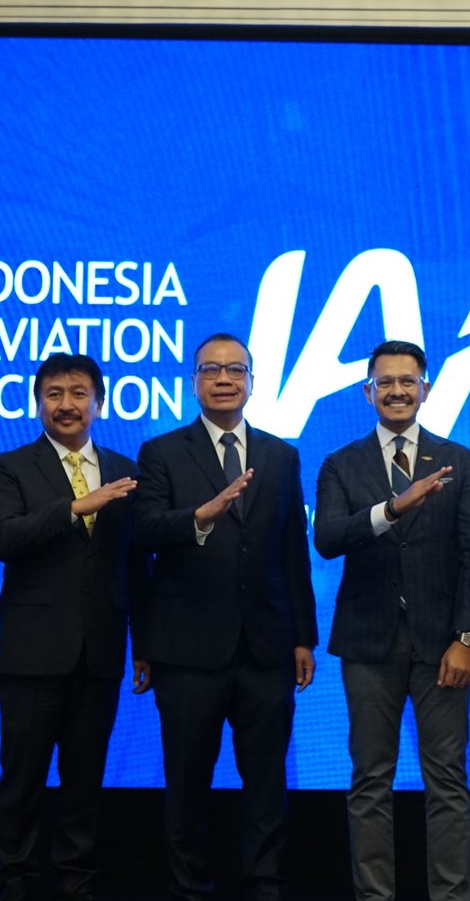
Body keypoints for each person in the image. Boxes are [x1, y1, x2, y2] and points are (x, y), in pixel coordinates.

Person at [133, 332, 318, 901]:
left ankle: (265, 885)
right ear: (194, 382)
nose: (223, 379)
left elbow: (293, 550)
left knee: (266, 783)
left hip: (266, 647)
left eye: (235, 370)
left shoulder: (281, 455)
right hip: (186, 649)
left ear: (252, 382)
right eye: (211, 370)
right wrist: (200, 515)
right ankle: (192, 889)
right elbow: (142, 534)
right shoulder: (161, 452)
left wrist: (303, 638)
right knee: (186, 783)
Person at [313, 340, 470, 901]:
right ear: (368, 392)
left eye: (406, 381)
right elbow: (327, 539)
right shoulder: (340, 463)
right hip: (369, 644)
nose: (396, 391)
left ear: (426, 388)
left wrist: (465, 638)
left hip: (444, 646)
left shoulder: (457, 460)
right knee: (370, 782)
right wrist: (392, 508)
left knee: (448, 784)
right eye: (384, 382)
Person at [0, 353, 140, 901]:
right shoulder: (9, 466)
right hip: (31, 657)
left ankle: (77, 886)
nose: (66, 404)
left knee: (83, 785)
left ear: (99, 401)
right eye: (54, 394)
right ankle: (14, 886)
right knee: (20, 785)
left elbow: (131, 565)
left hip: (99, 656)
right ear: (38, 402)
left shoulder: (126, 468)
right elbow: (3, 539)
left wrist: (139, 645)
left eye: (78, 393)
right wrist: (77, 506)